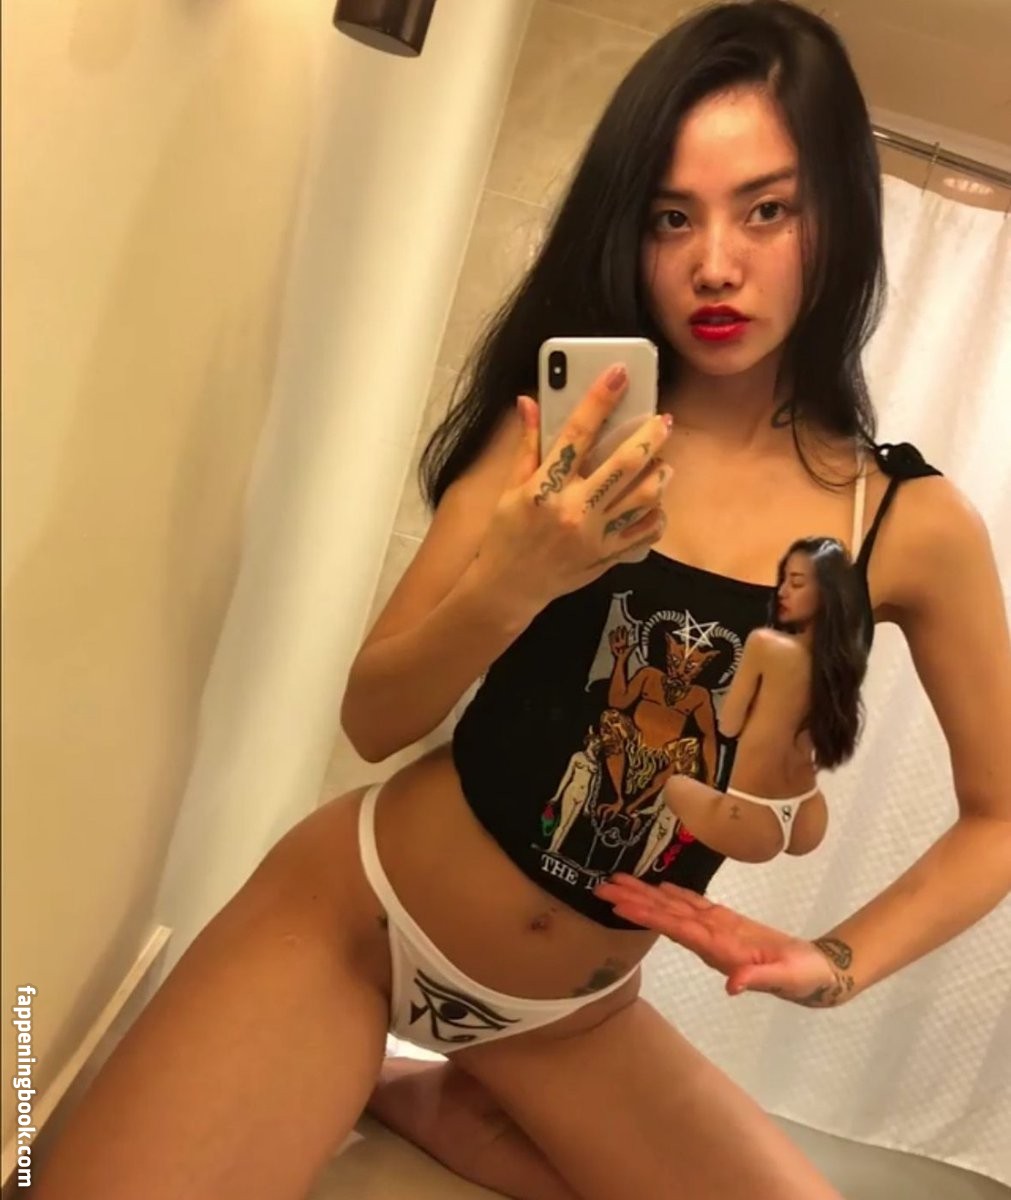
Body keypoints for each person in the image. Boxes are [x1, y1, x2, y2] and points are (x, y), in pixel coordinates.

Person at [33, 3, 1011, 1200]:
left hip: (572, 1019)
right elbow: (374, 719)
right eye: (671, 216)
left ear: (841, 214)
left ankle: (424, 1092)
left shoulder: (906, 525)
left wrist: (837, 963)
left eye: (766, 209)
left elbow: (998, 815)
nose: (714, 262)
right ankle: (364, 1062)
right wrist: (519, 576)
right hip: (364, 918)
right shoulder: (567, 433)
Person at [662, 535, 868, 862]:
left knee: (672, 786)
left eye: (796, 583)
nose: (782, 591)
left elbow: (728, 726)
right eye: (783, 580)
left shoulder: (765, 644)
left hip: (749, 816)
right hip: (810, 812)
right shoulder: (842, 660)